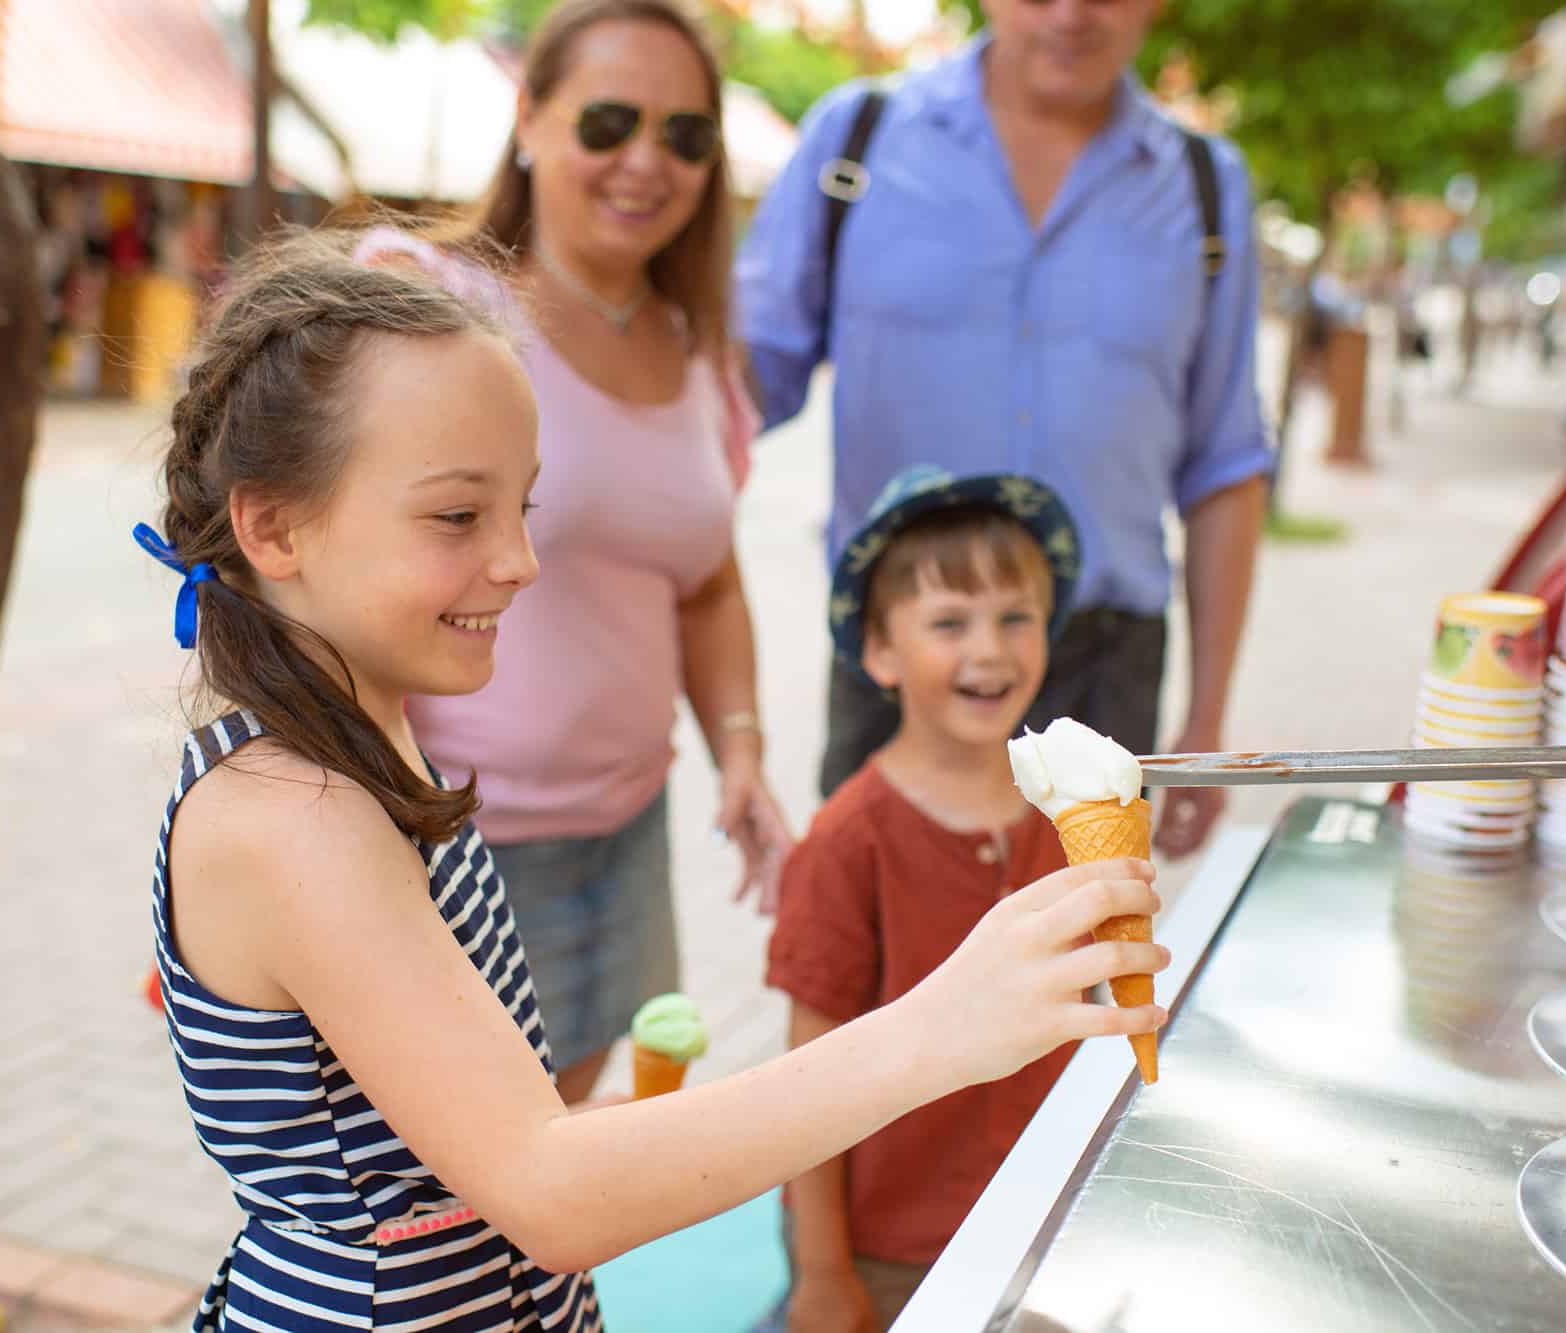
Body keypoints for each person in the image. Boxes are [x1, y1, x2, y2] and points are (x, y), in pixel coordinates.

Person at [134, 226, 1167, 1332]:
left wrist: (633, 1122)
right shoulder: (296, 811)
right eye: (455, 516)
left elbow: (470, 1141)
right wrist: (941, 1025)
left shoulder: (361, 744)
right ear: (273, 525)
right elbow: (549, 1193)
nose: (519, 560)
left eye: (522, 508)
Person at [352, 0, 792, 1106]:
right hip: (454, 849)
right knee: (452, 1186)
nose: (647, 160)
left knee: (575, 1145)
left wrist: (738, 746)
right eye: (609, 121)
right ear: (530, 118)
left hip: (627, 836)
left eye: (686, 135)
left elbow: (706, 580)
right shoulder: (426, 299)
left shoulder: (697, 352)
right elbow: (296, 569)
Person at [737, 0, 1271, 860]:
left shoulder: (1208, 187)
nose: (1070, 13)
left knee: (1084, 973)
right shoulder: (857, 141)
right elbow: (738, 386)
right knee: (882, 981)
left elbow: (1226, 463)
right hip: (898, 659)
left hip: (1105, 666)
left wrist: (1207, 722)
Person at [763, 465, 1085, 1331]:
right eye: (950, 622)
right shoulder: (846, 841)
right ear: (879, 652)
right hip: (890, 1250)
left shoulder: (1068, 813)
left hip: (1041, 1221)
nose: (990, 649)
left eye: (1017, 616)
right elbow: (805, 1086)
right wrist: (824, 1272)